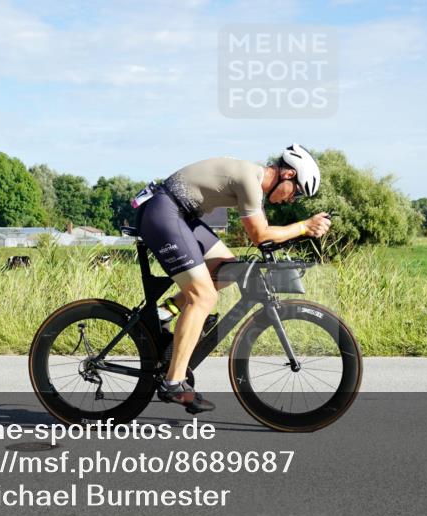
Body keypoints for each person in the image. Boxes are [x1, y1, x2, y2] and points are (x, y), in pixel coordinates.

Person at [133, 144, 331, 413]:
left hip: (181, 215)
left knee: (228, 269)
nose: (292, 199)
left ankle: (164, 312)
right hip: (165, 212)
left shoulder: (252, 180)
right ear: (288, 175)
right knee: (203, 297)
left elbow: (264, 237)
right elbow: (260, 235)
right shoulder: (250, 180)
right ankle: (173, 383)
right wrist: (304, 226)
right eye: (296, 192)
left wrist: (299, 232)